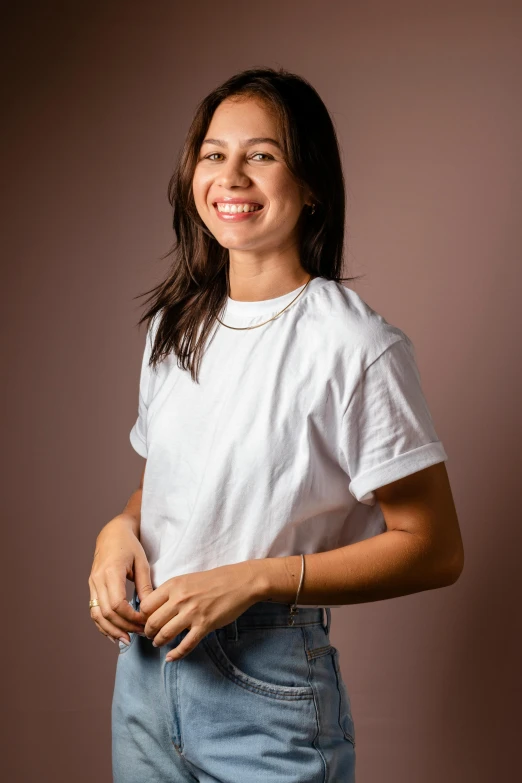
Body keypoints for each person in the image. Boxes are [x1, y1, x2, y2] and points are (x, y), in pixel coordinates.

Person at [88, 67, 464, 783]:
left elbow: (436, 547)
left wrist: (257, 580)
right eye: (213, 153)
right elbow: (167, 490)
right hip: (142, 678)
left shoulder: (355, 346)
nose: (231, 176)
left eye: (261, 154)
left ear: (312, 183)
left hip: (266, 687)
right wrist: (117, 531)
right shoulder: (175, 327)